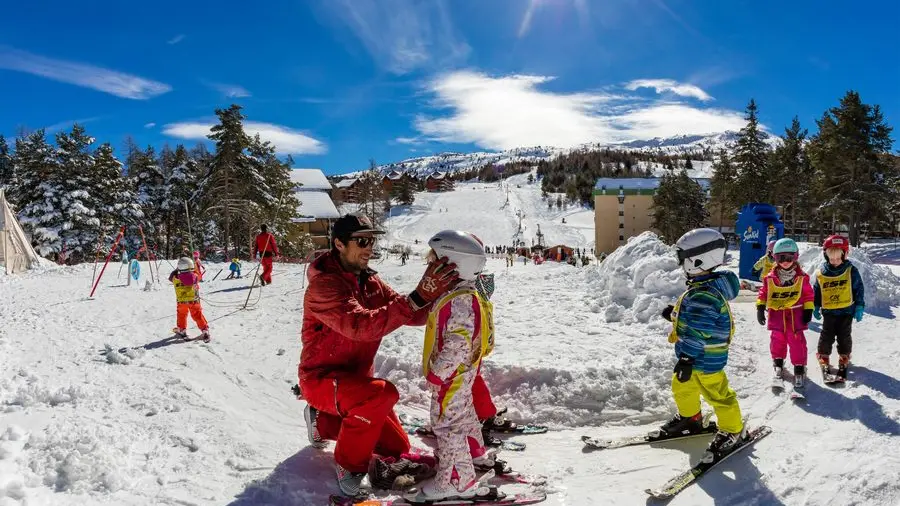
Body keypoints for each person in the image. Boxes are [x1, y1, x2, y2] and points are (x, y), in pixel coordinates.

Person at [298, 214, 461, 497]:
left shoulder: (371, 282)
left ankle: (320, 421)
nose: (369, 247)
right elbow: (361, 327)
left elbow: (411, 313)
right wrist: (417, 297)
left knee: (397, 448)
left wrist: (443, 293)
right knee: (382, 395)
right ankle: (348, 466)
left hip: (355, 382)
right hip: (322, 380)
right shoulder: (324, 286)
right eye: (361, 240)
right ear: (338, 243)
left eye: (371, 240)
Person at [405, 231, 499, 502]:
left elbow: (458, 344)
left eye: (434, 262)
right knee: (463, 415)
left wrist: (438, 374)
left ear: (453, 265)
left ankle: (457, 482)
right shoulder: (464, 294)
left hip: (452, 377)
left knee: (446, 426)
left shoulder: (459, 300)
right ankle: (476, 454)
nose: (429, 268)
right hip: (463, 375)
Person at [659, 228, 747, 459]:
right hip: (694, 355)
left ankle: (733, 430)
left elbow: (699, 331)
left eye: (682, 259)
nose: (680, 264)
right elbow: (696, 319)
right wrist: (676, 315)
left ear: (697, 260)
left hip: (704, 359)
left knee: (717, 394)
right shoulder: (703, 288)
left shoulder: (704, 294)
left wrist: (687, 358)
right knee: (682, 386)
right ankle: (691, 418)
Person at [755, 238, 814, 389]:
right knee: (777, 340)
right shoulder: (770, 278)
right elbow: (764, 293)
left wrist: (808, 309)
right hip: (777, 317)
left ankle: (799, 367)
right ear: (775, 258)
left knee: (797, 342)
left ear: (795, 257)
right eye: (781, 258)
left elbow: (808, 294)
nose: (786, 261)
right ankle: (778, 362)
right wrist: (760, 307)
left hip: (795, 317)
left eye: (789, 257)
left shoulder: (802, 277)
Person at [812, 235, 865, 381]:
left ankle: (844, 356)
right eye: (831, 259)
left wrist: (860, 305)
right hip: (829, 311)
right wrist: (815, 306)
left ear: (845, 255)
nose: (834, 262)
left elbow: (858, 288)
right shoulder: (822, 272)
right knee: (826, 335)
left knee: (844, 336)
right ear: (826, 256)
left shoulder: (851, 271)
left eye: (838, 258)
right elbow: (817, 290)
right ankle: (823, 356)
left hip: (846, 311)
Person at [168, 257, 210, 342]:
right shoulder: (194, 276)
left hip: (181, 302)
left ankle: (182, 329)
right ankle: (204, 330)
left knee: (181, 315)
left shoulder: (175, 277)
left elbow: (170, 277)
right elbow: (199, 276)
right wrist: (195, 268)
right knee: (197, 315)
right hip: (194, 301)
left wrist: (177, 270)